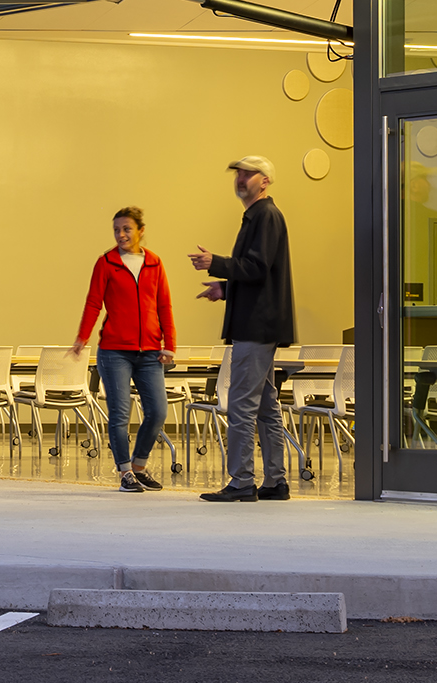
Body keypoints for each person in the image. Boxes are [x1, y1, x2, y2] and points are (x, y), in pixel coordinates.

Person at [187, 153, 293, 502]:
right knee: (265, 406)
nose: (241, 179)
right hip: (260, 324)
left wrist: (216, 263)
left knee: (241, 405)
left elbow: (257, 267)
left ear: (265, 181)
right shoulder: (258, 216)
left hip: (255, 326)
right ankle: (275, 481)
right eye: (238, 174)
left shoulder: (265, 216)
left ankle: (242, 481)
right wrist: (226, 288)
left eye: (249, 174)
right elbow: (259, 274)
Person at [76, 205, 175, 490]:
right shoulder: (106, 262)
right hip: (114, 351)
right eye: (117, 230)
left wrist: (170, 344)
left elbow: (164, 305)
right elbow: (93, 302)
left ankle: (139, 466)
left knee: (157, 412)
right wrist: (82, 337)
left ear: (140, 231)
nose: (121, 235)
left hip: (150, 352)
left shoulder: (154, 263)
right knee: (120, 414)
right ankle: (124, 472)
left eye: (127, 229)